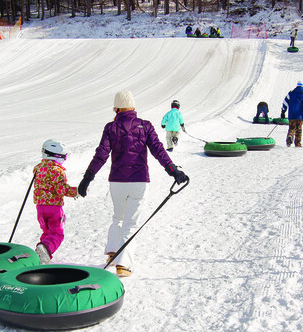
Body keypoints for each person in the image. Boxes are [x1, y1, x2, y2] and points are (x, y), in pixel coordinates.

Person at [77, 90, 189, 278]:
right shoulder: (145, 126)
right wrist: (173, 170)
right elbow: (158, 150)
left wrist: (87, 177)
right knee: (131, 223)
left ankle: (113, 252)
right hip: (139, 182)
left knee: (117, 218)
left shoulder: (111, 128)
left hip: (117, 182)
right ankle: (123, 264)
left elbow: (101, 154)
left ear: (117, 108)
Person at [33, 139, 78, 264]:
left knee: (47, 231)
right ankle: (45, 249)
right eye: (64, 157)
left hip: (40, 207)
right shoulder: (57, 171)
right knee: (57, 233)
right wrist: (76, 191)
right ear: (57, 156)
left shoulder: (38, 168)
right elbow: (61, 189)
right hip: (53, 207)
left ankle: (40, 252)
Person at [280, 81, 303, 147]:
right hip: (300, 116)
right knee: (299, 130)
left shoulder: (291, 93)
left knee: (292, 128)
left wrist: (283, 111)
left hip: (292, 115)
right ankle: (298, 143)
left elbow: (285, 102)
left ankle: (290, 136)